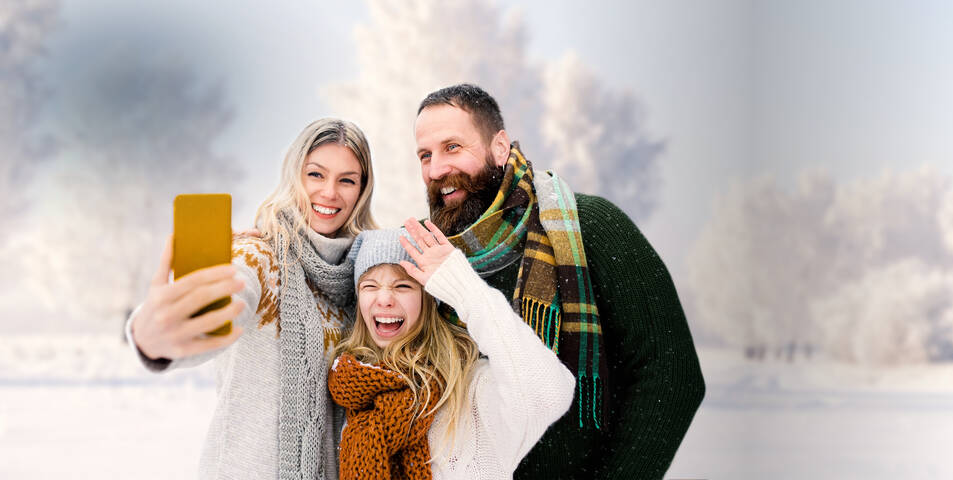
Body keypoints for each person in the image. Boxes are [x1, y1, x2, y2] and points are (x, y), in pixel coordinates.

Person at [412, 84, 705, 479]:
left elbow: (671, 374)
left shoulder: (588, 227)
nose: (436, 170)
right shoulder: (426, 254)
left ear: (499, 147)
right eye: (425, 155)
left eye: (452, 147)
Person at [125, 118, 379, 479]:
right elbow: (221, 309)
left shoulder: (362, 282)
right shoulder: (257, 258)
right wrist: (154, 338)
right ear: (294, 176)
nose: (329, 193)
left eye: (347, 180)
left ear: (362, 190)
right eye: (316, 175)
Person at [328, 219, 574, 479]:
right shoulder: (348, 393)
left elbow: (547, 394)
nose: (385, 299)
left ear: (428, 300)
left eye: (403, 286)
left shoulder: (469, 390)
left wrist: (466, 290)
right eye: (370, 286)